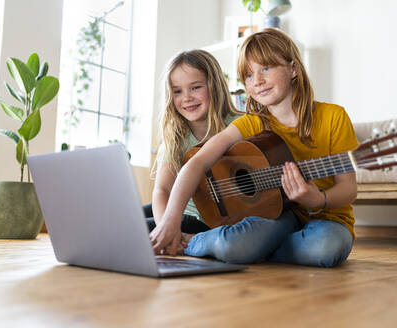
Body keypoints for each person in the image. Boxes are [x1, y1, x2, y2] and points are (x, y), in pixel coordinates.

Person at [150, 29, 359, 268]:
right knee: (232, 245)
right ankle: (219, 245)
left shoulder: (333, 117)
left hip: (327, 219)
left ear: (293, 68)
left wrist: (317, 199)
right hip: (277, 216)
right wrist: (170, 221)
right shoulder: (251, 124)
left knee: (325, 247)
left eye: (266, 68)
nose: (257, 80)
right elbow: (197, 162)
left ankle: (249, 249)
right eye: (248, 75)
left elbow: (349, 189)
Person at [147, 49, 242, 248]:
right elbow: (162, 189)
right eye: (177, 91)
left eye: (196, 87)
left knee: (135, 232)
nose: (187, 98)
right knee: (122, 221)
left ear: (214, 87)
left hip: (204, 220)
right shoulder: (176, 136)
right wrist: (166, 228)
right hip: (178, 212)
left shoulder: (240, 126)